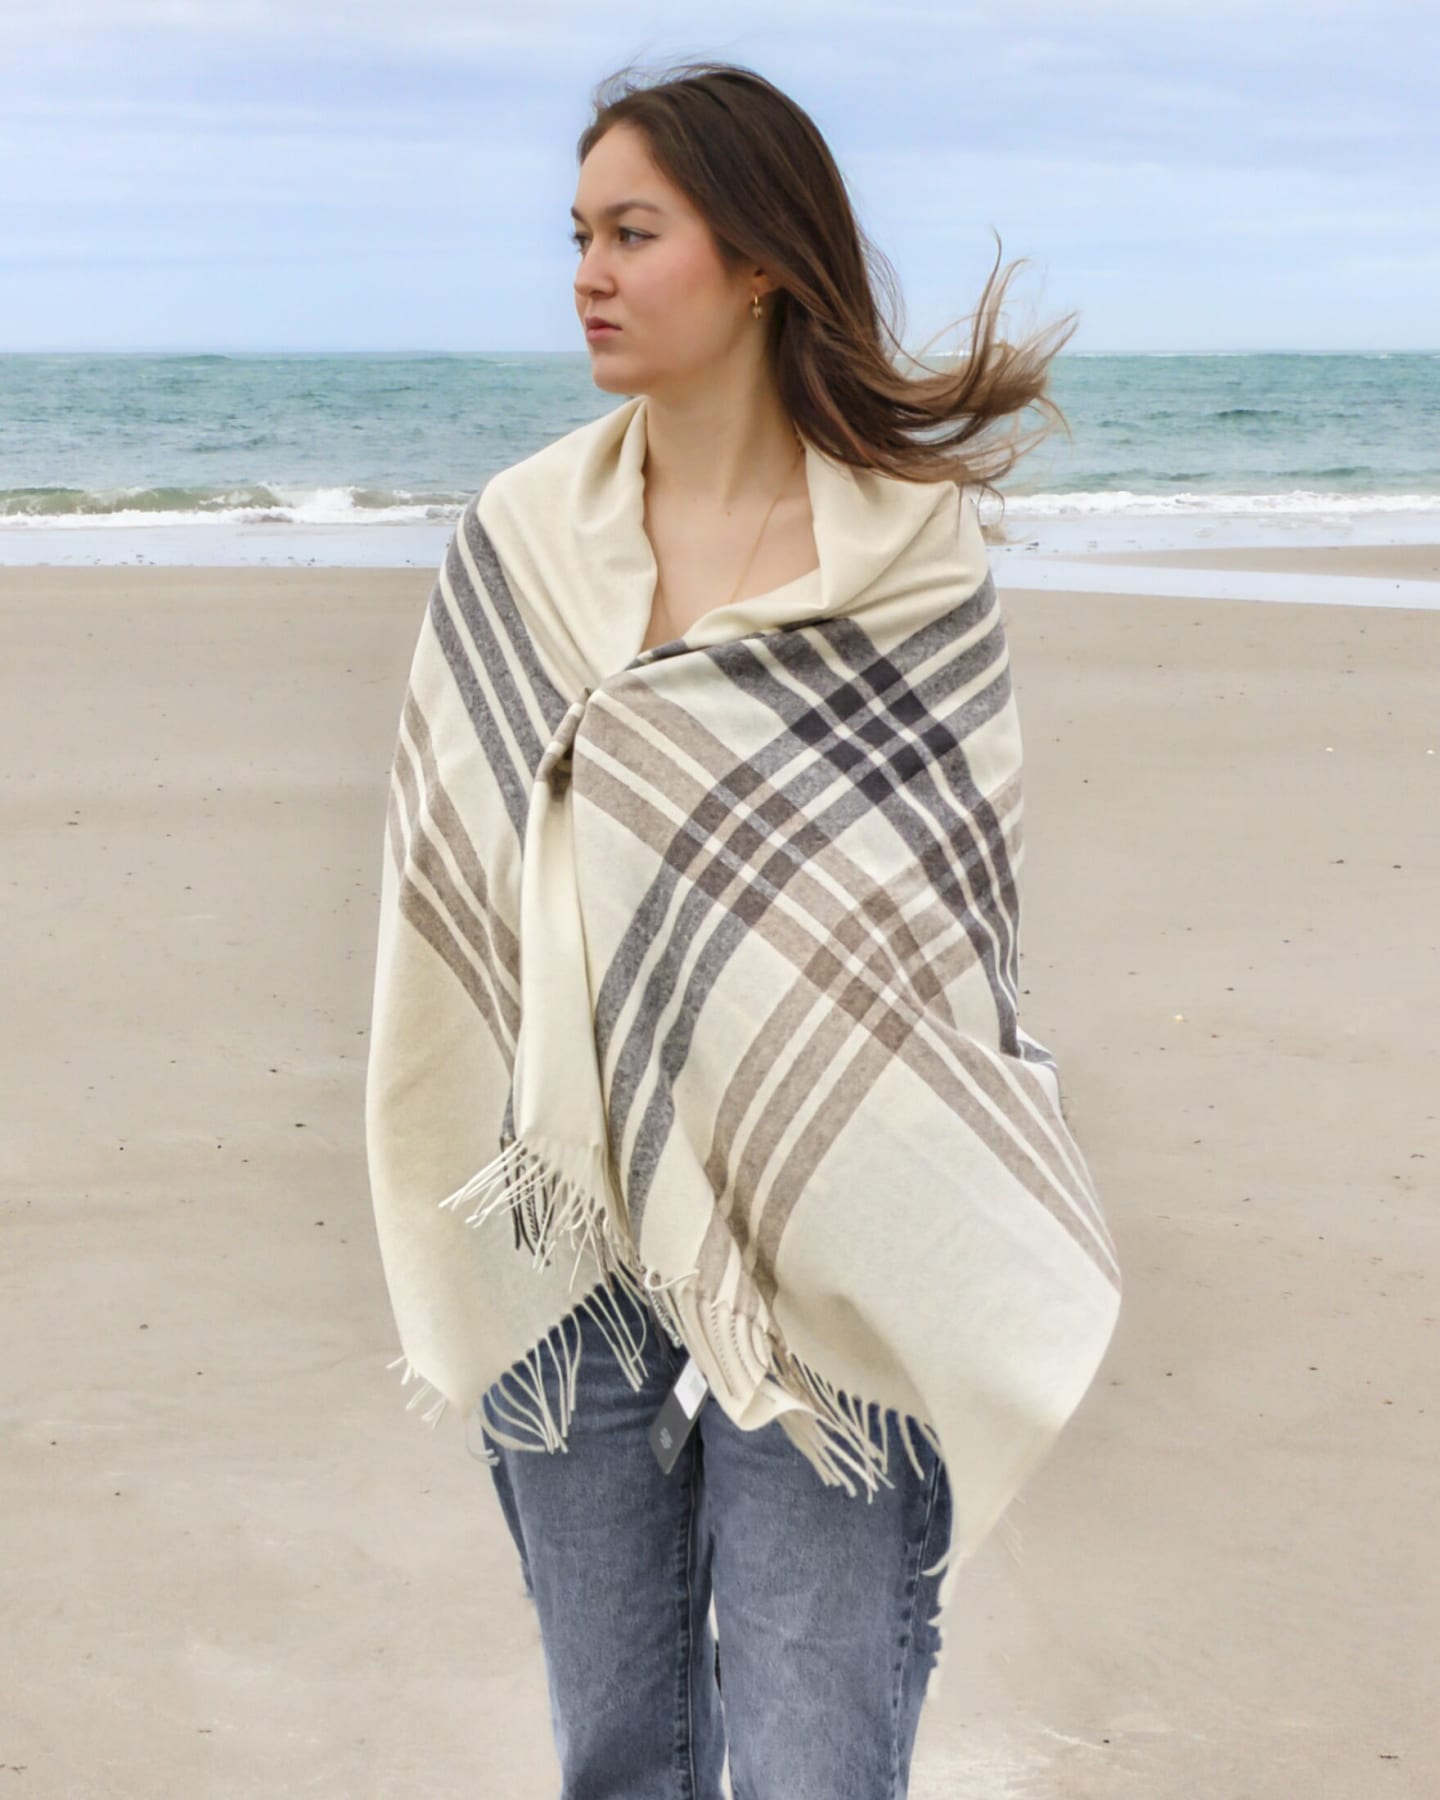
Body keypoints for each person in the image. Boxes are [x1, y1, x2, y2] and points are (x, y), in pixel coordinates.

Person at [461, 58, 1087, 1800]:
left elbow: (945, 929)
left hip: (835, 1225)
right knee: (615, 1751)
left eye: (631, 232)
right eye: (577, 233)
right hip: (568, 1210)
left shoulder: (908, 559)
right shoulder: (517, 543)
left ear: (755, 262)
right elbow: (458, 888)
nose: (586, 270)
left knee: (820, 1756)